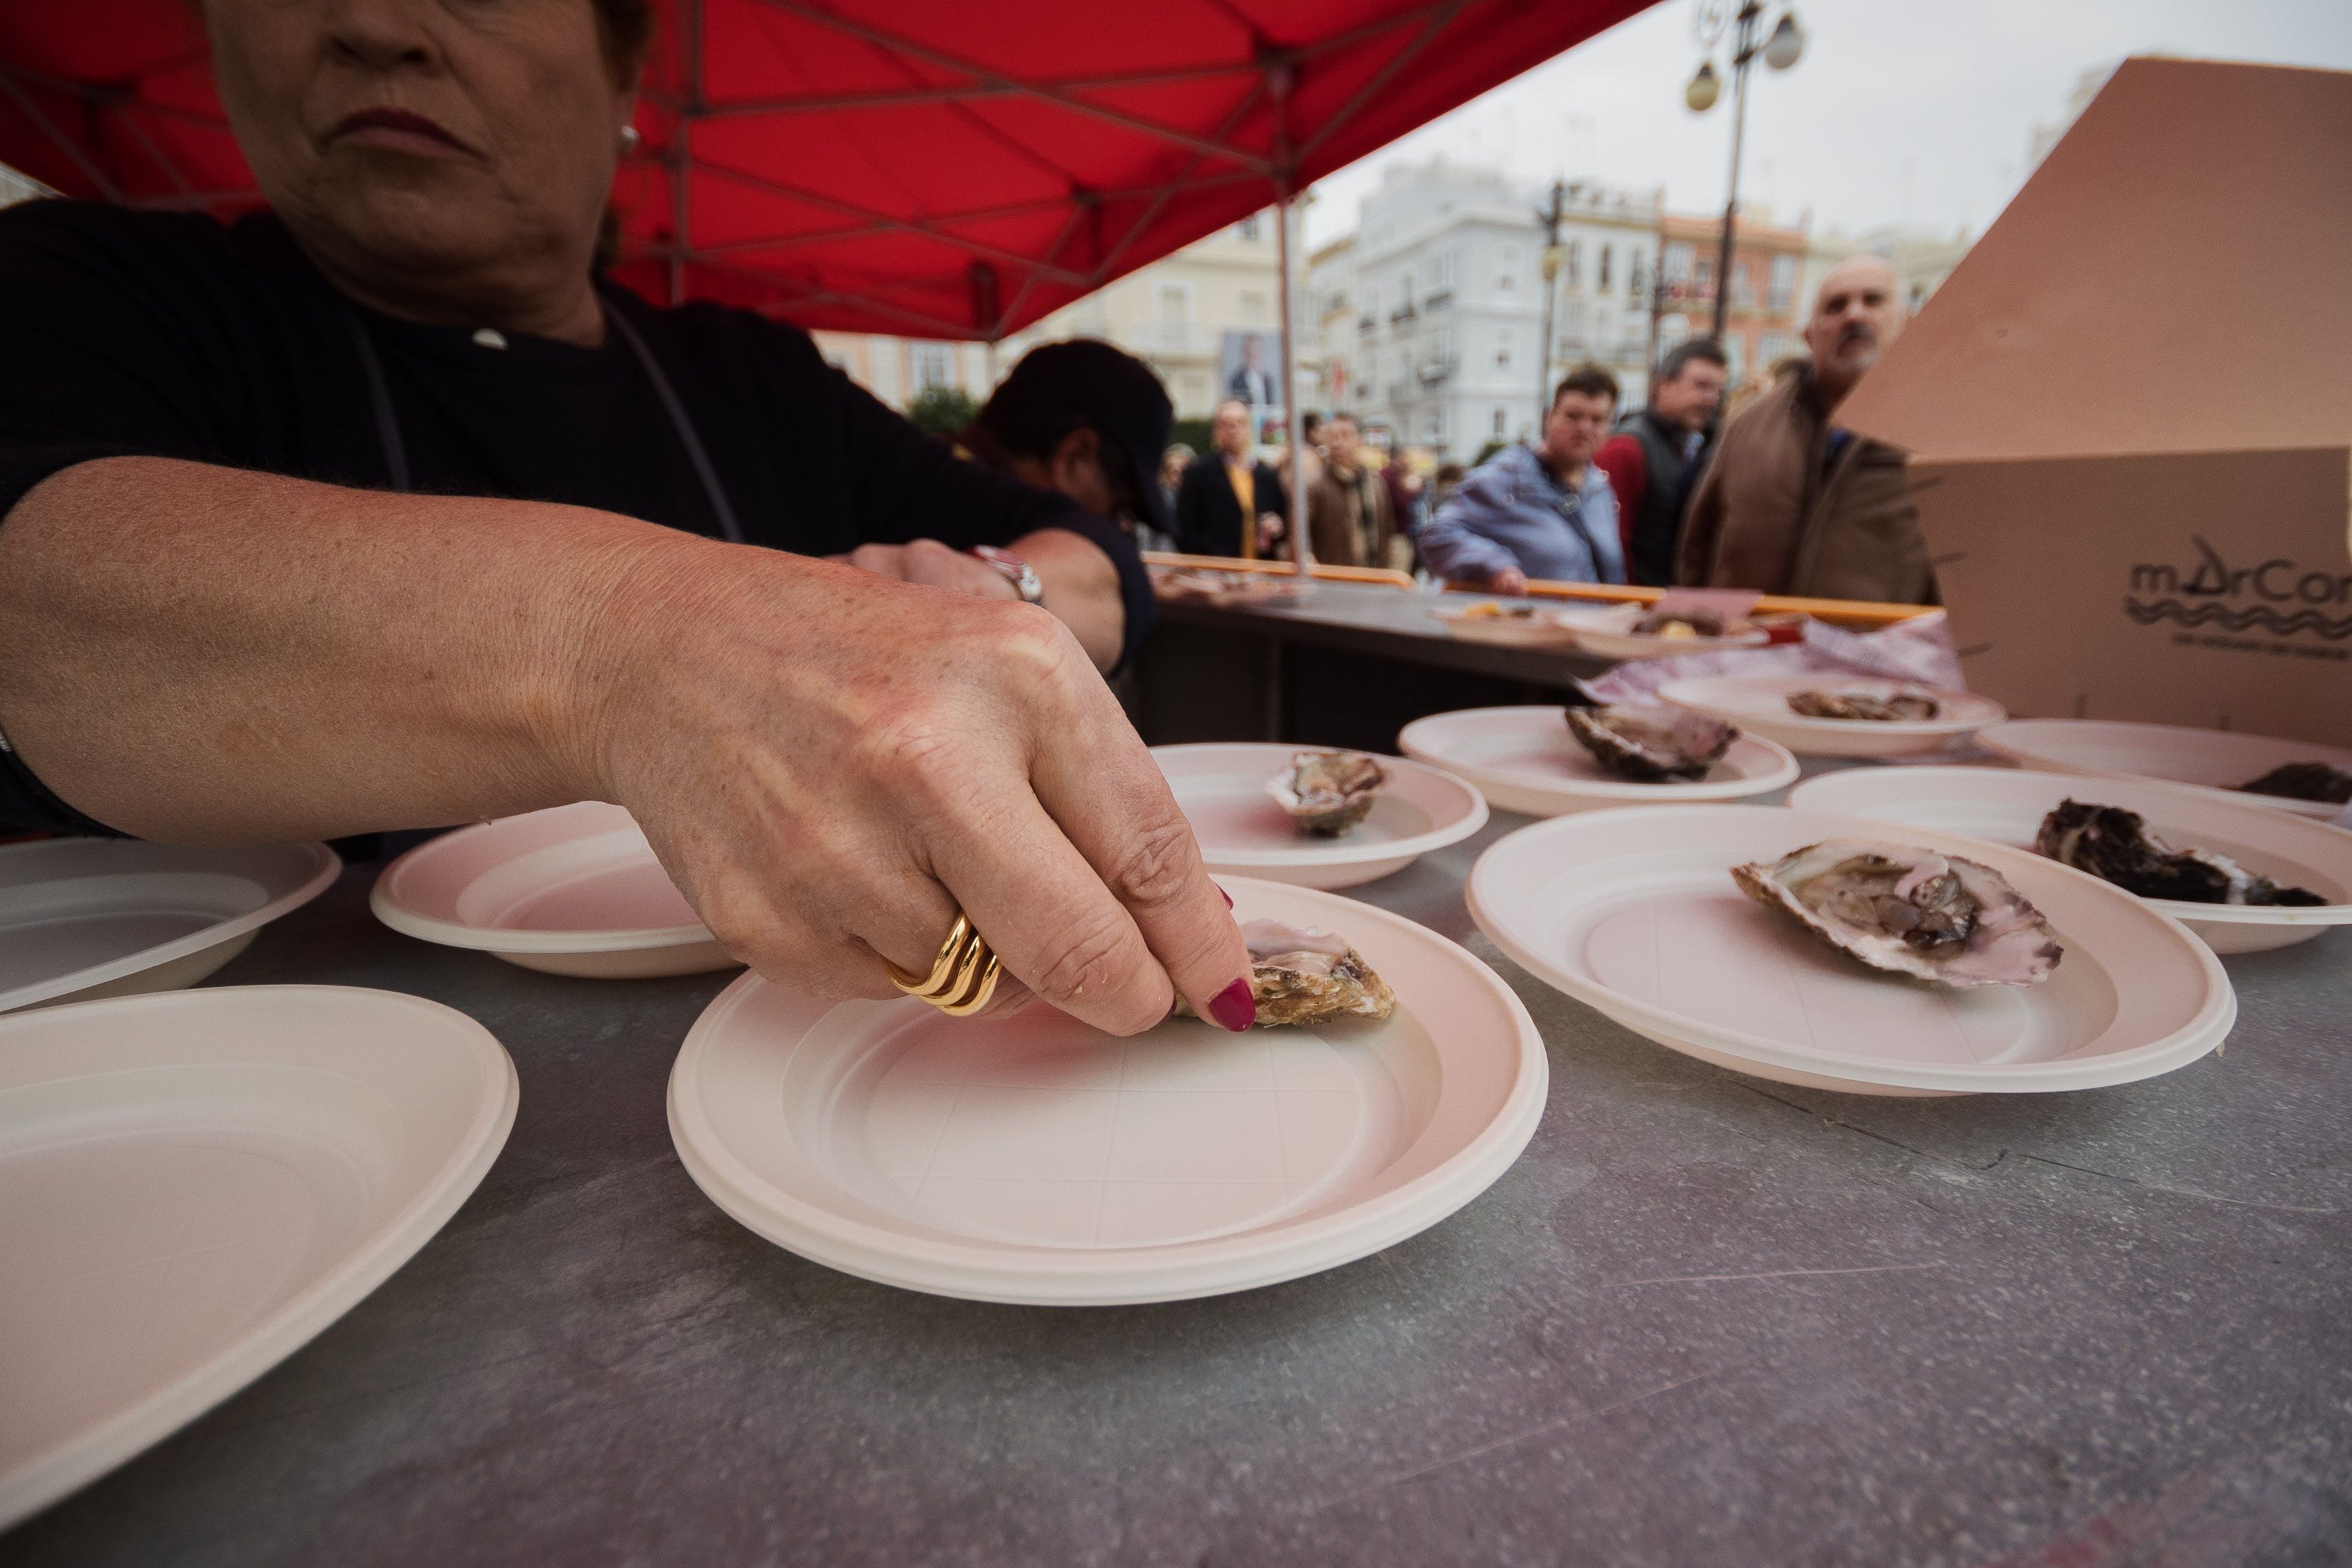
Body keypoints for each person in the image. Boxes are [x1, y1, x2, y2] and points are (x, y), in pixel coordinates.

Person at [0, 0, 1256, 1037]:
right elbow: (35, 602)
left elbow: (1095, 559)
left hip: (799, 1054)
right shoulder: (90, 289)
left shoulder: (750, 378)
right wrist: (632, 648)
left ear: (619, 68)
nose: (376, 26)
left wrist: (1001, 597)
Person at [1674, 256, 1937, 604]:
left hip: (1876, 656)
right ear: (1809, 334)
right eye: (1835, 306)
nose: (1854, 315)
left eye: (1873, 301)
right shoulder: (1748, 428)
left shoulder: (1944, 431)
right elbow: (1696, 550)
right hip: (1748, 653)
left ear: (1907, 322)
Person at [1413, 366, 1625, 592]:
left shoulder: (1599, 489)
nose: (1584, 428)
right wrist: (1495, 566)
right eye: (1572, 416)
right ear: (1550, 417)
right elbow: (1439, 534)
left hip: (1592, 622)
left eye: (1598, 419)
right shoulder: (1505, 477)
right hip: (1524, 621)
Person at [954, 339, 1176, 553]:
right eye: (1119, 513)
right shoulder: (978, 544)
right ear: (1074, 458)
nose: (1114, 530)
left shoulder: (940, 488)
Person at [1594, 340, 1727, 588]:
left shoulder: (1700, 446)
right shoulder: (1626, 449)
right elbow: (1612, 547)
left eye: (1718, 389)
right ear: (1664, 384)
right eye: (1701, 386)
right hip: (1639, 603)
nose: (1711, 399)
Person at [1172, 399, 1284, 559]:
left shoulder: (1267, 475)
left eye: (1240, 423)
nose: (1233, 429)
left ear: (1249, 429)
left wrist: (1277, 528)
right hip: (1216, 572)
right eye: (1226, 424)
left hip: (1261, 573)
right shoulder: (1198, 473)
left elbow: (1282, 521)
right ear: (1216, 431)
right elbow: (1183, 528)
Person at [1304, 412, 1400, 570]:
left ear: (1360, 440)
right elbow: (1302, 539)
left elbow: (1388, 532)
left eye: (1345, 435)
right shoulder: (1315, 486)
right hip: (1335, 582)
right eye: (1331, 436)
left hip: (1374, 579)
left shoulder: (1377, 485)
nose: (1337, 443)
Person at [1226, 333, 1275, 409]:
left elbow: (1271, 405)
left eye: (1257, 350)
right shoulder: (1237, 380)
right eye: (1251, 351)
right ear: (1245, 353)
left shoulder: (1268, 379)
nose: (1254, 354)